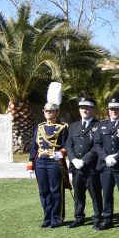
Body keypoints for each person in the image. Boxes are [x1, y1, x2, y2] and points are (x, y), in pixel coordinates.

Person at [28, 83, 69, 228]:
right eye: (46, 111)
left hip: (54, 162)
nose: (48, 113)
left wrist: (61, 153)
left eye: (51, 111)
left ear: (57, 112)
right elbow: (34, 146)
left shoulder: (62, 127)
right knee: (44, 191)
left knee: (55, 190)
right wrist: (30, 164)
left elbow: (66, 145)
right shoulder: (39, 127)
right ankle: (47, 217)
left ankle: (57, 218)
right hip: (41, 162)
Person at [94, 97, 119, 231]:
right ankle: (107, 218)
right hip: (105, 165)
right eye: (111, 109)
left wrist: (116, 157)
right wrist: (106, 157)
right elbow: (97, 144)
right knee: (107, 193)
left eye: (116, 109)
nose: (114, 111)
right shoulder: (101, 125)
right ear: (108, 110)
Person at [65, 96, 102, 229]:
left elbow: (97, 146)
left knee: (95, 195)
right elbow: (69, 144)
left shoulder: (98, 125)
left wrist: (84, 160)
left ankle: (97, 218)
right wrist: (73, 159)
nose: (84, 110)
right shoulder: (73, 126)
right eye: (82, 108)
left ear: (93, 109)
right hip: (76, 167)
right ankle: (79, 217)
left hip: (91, 167)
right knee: (78, 194)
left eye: (87, 108)